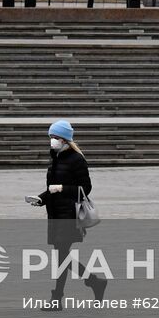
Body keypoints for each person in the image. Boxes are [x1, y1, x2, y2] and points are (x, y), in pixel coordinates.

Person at [28, 119, 105, 302]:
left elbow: (85, 188)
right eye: (51, 137)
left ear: (64, 139)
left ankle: (57, 298)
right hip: (55, 213)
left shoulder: (76, 159)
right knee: (62, 256)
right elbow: (52, 188)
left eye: (55, 137)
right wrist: (41, 199)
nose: (52, 140)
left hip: (70, 215)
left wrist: (62, 188)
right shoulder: (55, 157)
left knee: (62, 256)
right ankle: (94, 282)